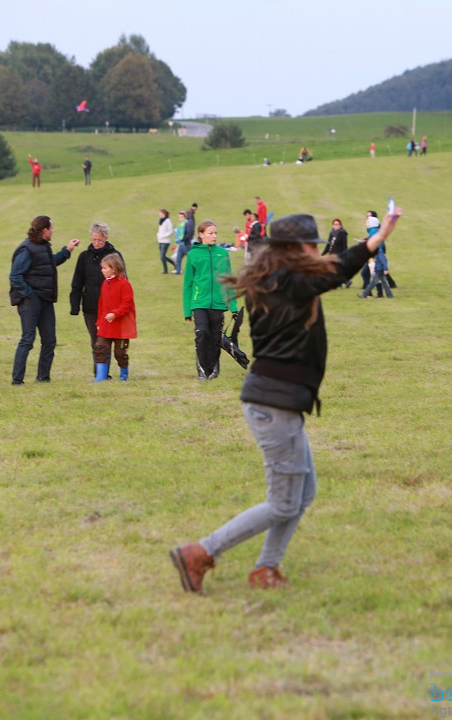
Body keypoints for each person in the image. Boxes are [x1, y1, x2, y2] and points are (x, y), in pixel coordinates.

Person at [169, 209, 403, 593]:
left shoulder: (275, 278)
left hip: (277, 402)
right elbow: (338, 269)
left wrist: (373, 241)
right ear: (295, 249)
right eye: (311, 244)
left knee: (302, 494)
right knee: (281, 503)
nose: (317, 250)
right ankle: (199, 553)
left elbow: (332, 269)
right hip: (274, 406)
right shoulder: (287, 283)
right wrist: (375, 241)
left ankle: (266, 569)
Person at [9, 216, 79, 384]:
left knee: (50, 340)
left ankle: (43, 378)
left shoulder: (42, 246)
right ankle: (17, 380)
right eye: (52, 228)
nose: (53, 230)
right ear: (45, 230)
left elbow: (48, 263)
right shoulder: (26, 248)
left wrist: (67, 251)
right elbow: (15, 276)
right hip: (30, 301)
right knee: (28, 339)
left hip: (45, 299)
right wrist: (30, 295)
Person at [183, 220, 239, 380]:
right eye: (211, 233)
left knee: (215, 338)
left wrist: (233, 306)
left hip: (219, 303)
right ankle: (202, 370)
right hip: (199, 302)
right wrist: (187, 310)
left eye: (216, 233)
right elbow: (188, 284)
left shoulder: (222, 253)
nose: (214, 236)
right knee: (202, 334)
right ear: (201, 235)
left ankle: (212, 369)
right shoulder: (193, 255)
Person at [70, 222, 123, 377]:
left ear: (106, 238)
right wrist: (75, 305)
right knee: (96, 341)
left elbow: (123, 280)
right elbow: (77, 281)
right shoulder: (84, 257)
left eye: (99, 240)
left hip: (111, 307)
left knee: (109, 341)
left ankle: (106, 372)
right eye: (94, 240)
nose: (96, 243)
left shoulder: (115, 256)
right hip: (91, 305)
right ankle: (100, 373)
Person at [94, 253, 137, 382]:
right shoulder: (104, 283)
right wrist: (99, 321)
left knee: (120, 352)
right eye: (102, 268)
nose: (102, 270)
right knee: (100, 347)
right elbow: (101, 303)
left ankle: (123, 376)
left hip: (121, 326)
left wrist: (115, 314)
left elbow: (127, 304)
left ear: (114, 268)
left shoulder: (124, 284)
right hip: (106, 325)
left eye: (105, 268)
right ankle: (100, 377)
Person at [157, 209, 178, 274]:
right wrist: (159, 235)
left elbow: (171, 231)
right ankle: (165, 270)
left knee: (163, 256)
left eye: (160, 213)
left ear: (164, 213)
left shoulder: (168, 221)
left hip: (165, 241)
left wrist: (163, 236)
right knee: (162, 257)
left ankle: (175, 264)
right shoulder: (161, 221)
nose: (159, 214)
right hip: (160, 240)